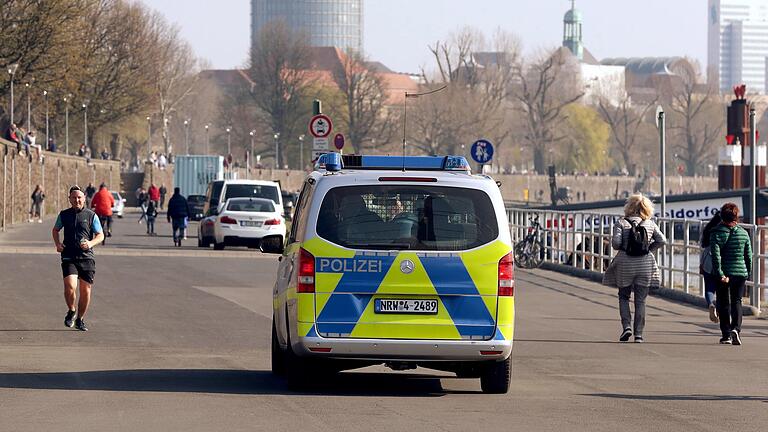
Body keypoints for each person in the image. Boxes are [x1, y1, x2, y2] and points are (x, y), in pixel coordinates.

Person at [602, 193, 666, 343]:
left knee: (624, 296)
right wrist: (648, 248)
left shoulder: (621, 223)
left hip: (625, 263)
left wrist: (624, 245)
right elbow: (662, 240)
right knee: (641, 301)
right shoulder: (650, 224)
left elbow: (616, 244)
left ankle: (626, 327)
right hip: (644, 264)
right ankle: (639, 335)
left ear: (629, 207)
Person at [51, 186, 105, 332]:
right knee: (70, 286)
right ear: (69, 199)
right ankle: (71, 310)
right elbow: (55, 230)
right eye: (74, 197)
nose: (77, 200)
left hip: (86, 257)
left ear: (84, 198)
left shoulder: (91, 215)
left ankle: (80, 319)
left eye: (79, 197)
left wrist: (90, 243)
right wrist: (57, 244)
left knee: (85, 290)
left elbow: (100, 235)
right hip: (69, 255)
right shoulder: (64, 215)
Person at [710, 202, 752, 345]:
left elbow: (715, 256)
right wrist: (747, 271)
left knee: (723, 302)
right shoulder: (743, 233)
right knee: (737, 301)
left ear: (722, 216)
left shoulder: (716, 232)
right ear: (736, 216)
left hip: (725, 273)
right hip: (740, 273)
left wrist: (720, 273)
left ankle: (726, 335)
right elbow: (749, 256)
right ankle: (736, 329)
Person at [699, 212, 723, 324]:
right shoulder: (725, 230)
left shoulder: (708, 229)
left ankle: (711, 304)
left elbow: (702, 246)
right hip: (722, 261)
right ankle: (718, 307)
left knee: (709, 288)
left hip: (707, 259)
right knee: (722, 289)